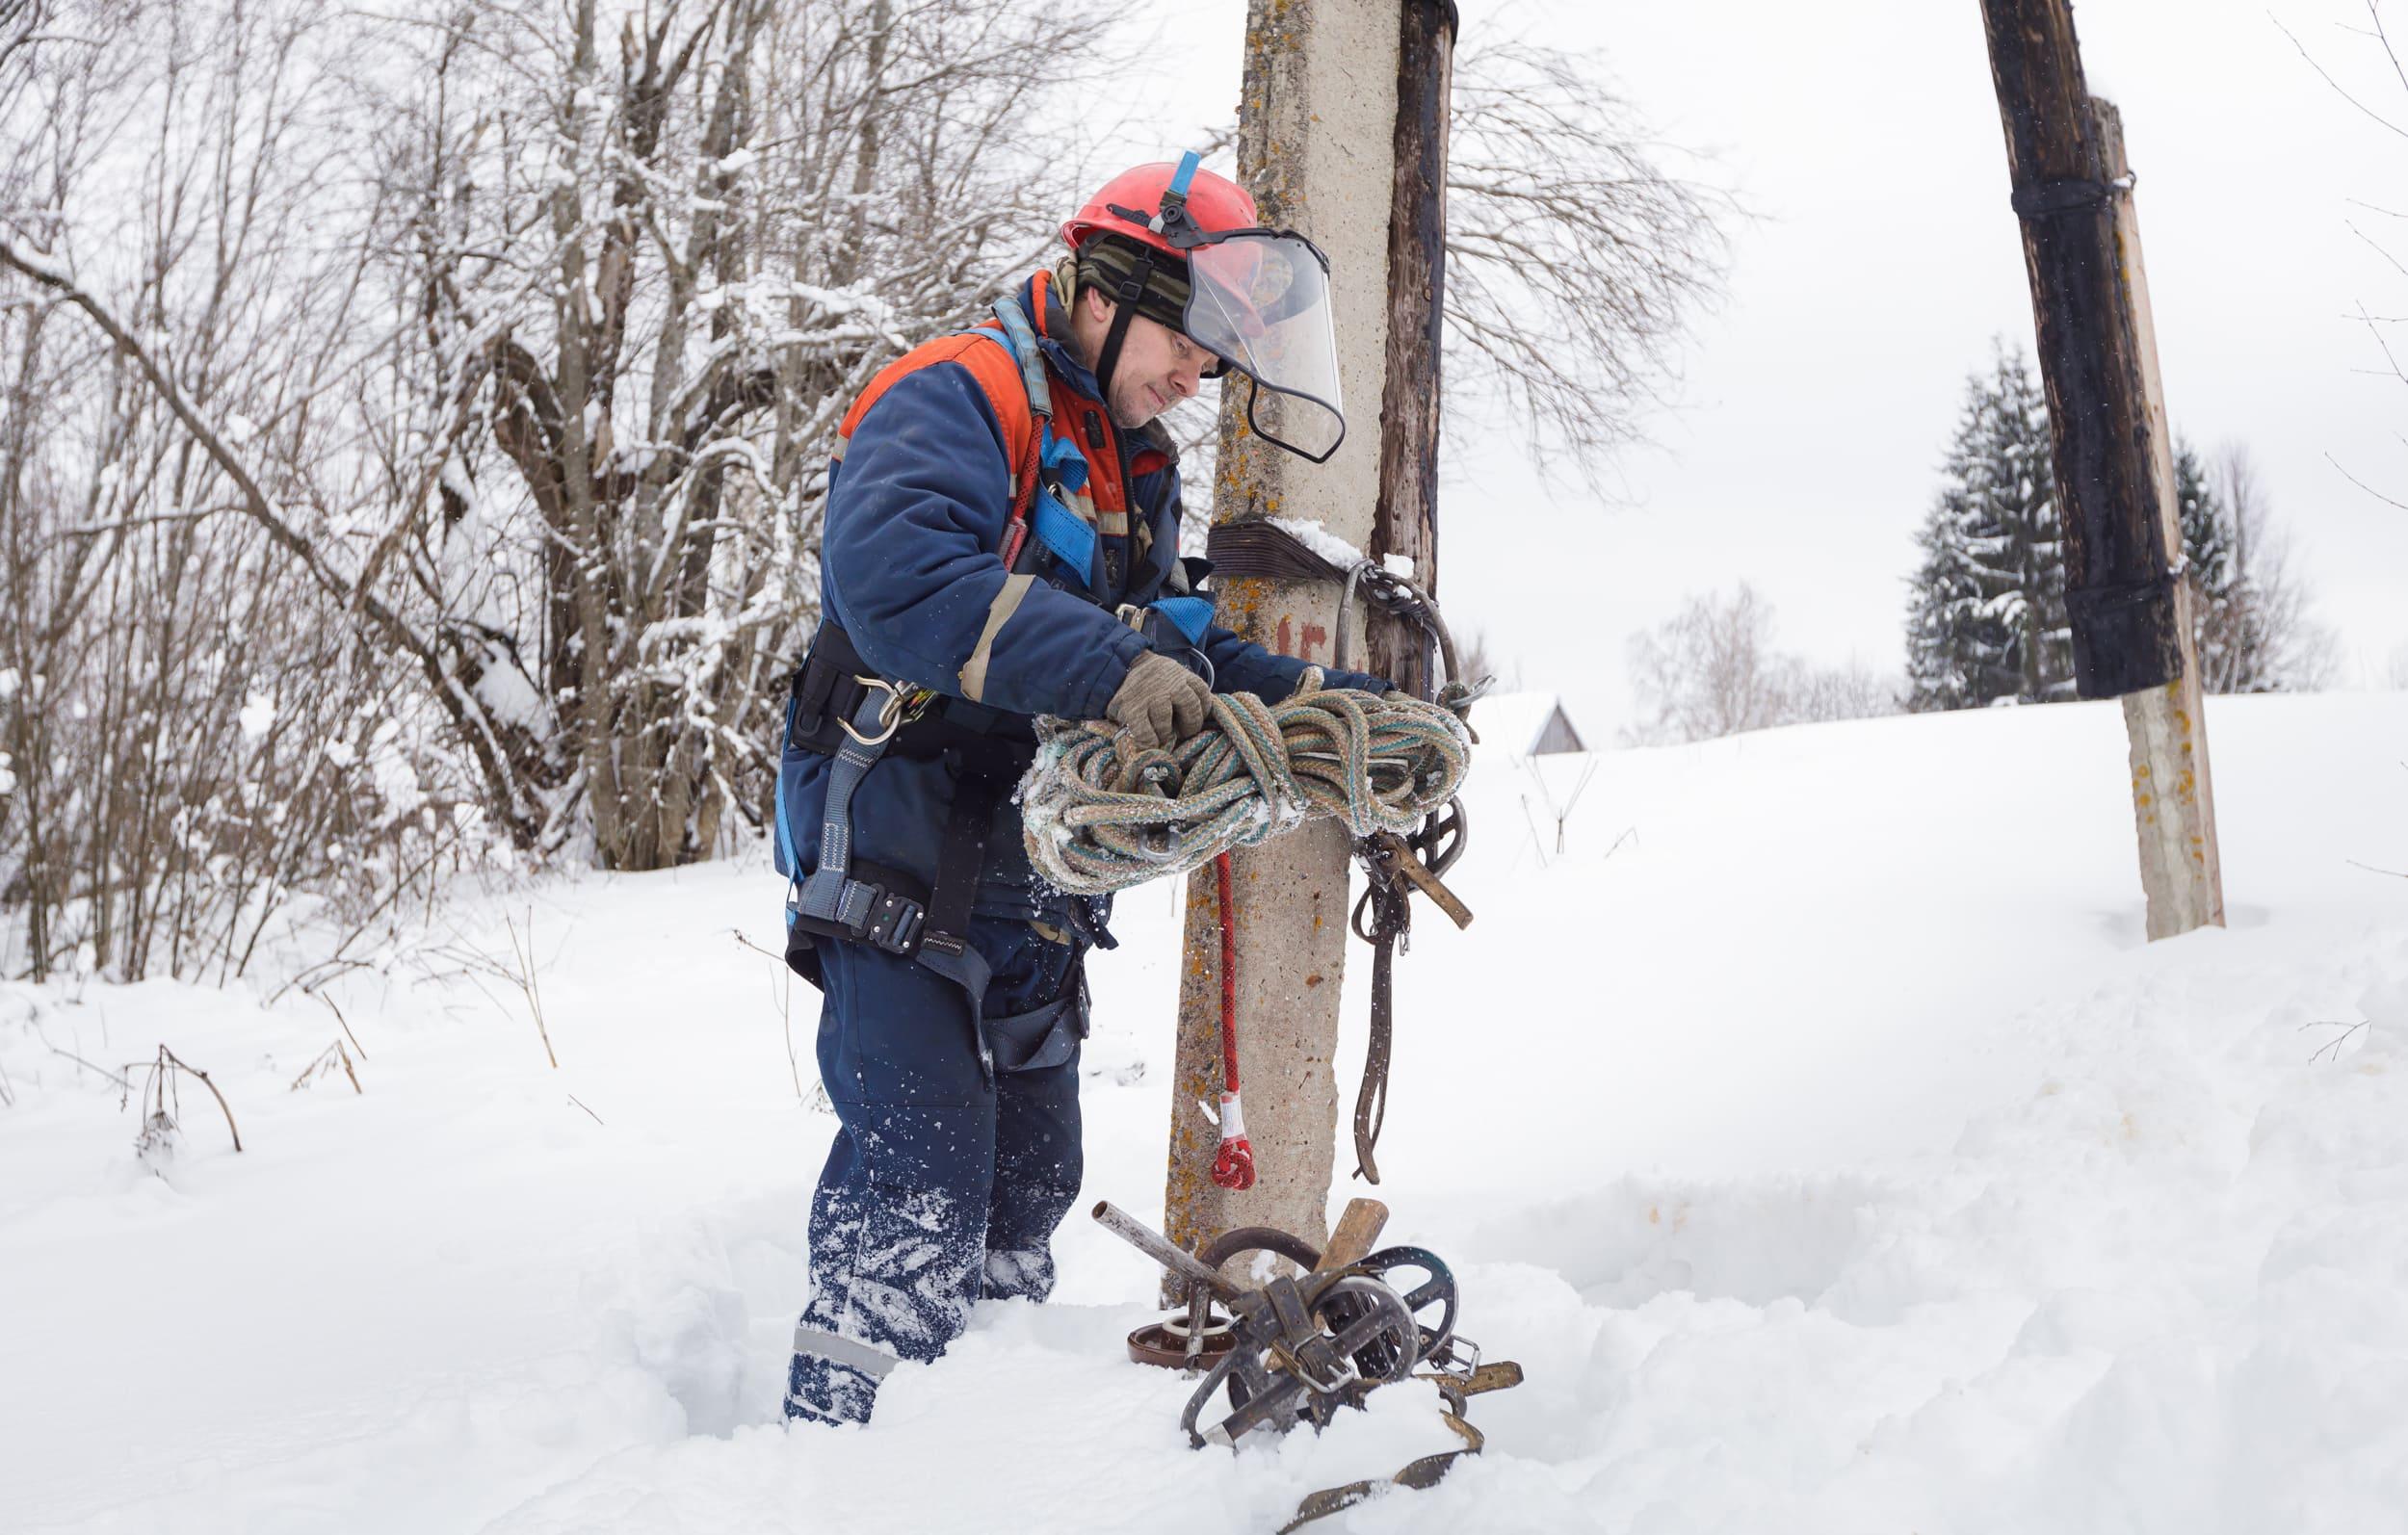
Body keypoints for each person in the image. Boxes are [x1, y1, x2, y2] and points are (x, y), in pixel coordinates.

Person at [772, 153, 1387, 1425]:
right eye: (1189, 339)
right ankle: (835, 1470)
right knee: (921, 1184)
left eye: (1219, 358)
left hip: (1028, 888)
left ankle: (979, 1460)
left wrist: (1335, 715)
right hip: (898, 850)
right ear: (1104, 293)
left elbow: (1177, 649)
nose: (1200, 377)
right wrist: (1109, 667)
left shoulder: (1132, 468)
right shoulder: (962, 393)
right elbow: (892, 579)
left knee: (1032, 1179)